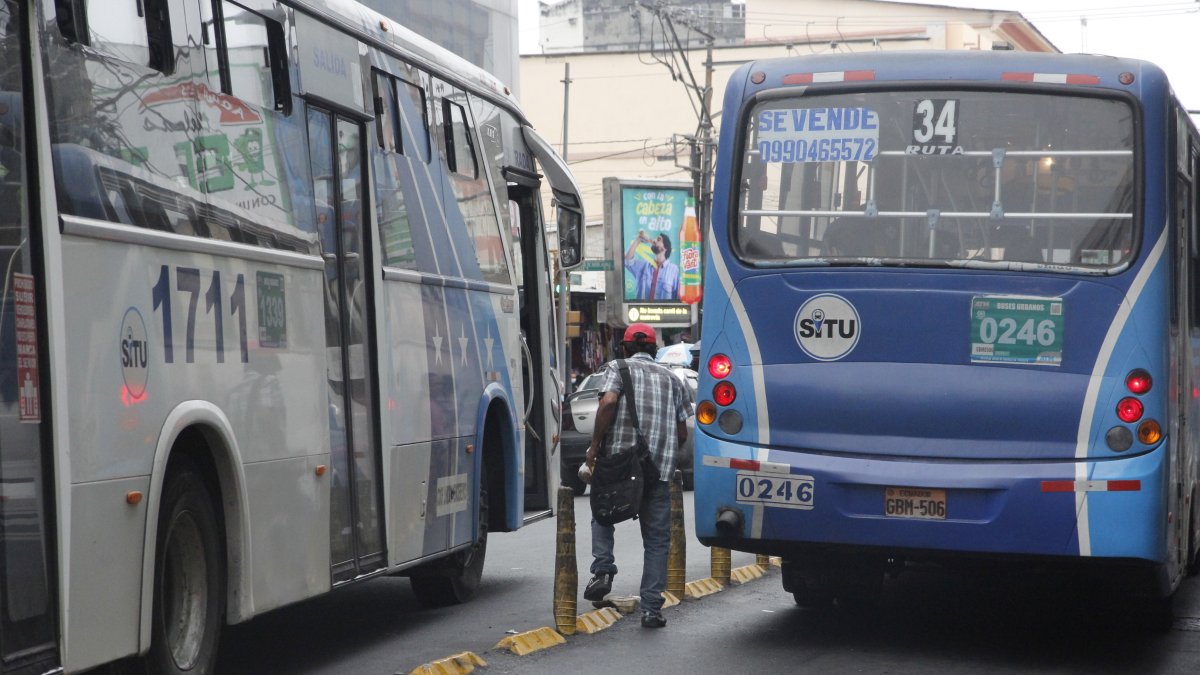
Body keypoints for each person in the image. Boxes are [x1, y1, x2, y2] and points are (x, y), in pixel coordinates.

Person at [582, 322, 690, 628]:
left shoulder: (616, 368)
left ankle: (603, 569)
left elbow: (608, 402)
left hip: (619, 464)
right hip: (658, 469)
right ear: (654, 349)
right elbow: (683, 431)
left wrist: (594, 447)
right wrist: (665, 451)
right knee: (656, 541)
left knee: (602, 513)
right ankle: (651, 609)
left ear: (625, 348)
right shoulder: (673, 379)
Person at [624, 230, 679, 301]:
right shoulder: (643, 266)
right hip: (642, 311)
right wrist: (639, 239)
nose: (655, 240)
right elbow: (627, 261)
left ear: (665, 248)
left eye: (658, 239)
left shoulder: (674, 270)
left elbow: (677, 297)